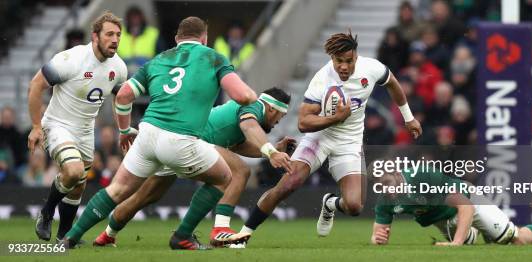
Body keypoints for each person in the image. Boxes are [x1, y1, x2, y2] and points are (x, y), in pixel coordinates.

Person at [61, 16, 258, 250]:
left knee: (117, 190)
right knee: (225, 177)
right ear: (204, 39)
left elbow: (123, 96)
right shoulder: (213, 57)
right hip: (180, 139)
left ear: (177, 39)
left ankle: (69, 238)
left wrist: (124, 130)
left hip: (147, 133)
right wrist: (254, 99)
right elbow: (243, 96)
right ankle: (183, 236)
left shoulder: (159, 59)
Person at [233, 30, 422, 248]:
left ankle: (330, 203)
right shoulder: (322, 79)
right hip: (319, 138)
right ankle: (243, 235)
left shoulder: (371, 68)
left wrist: (409, 118)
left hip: (350, 142)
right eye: (338, 61)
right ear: (331, 58)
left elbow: (393, 83)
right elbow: (303, 123)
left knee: (354, 206)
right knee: (287, 185)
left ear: (356, 57)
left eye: (348, 61)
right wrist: (336, 117)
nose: (343, 66)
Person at [92, 87, 294, 248]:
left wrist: (271, 149)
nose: (278, 123)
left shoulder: (248, 113)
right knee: (240, 171)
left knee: (143, 197)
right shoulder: (254, 107)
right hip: (193, 142)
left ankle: (107, 234)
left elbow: (239, 144)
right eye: (280, 117)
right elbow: (248, 127)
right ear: (272, 109)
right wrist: (271, 152)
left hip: (177, 143)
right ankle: (219, 230)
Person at [28, 11, 127, 242]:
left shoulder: (119, 67)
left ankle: (64, 235)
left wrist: (123, 129)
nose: (115, 39)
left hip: (85, 131)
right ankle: (46, 212)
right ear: (95, 36)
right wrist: (35, 126)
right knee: (72, 172)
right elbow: (35, 85)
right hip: (58, 125)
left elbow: (119, 99)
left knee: (77, 187)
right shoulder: (71, 59)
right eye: (109, 34)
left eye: (118, 35)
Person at [371, 171, 532, 246]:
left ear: (398, 175)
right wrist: (378, 238)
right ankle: (478, 233)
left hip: (469, 202)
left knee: (511, 238)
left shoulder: (423, 177)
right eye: (384, 189)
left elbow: (465, 207)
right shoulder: (385, 197)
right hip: (441, 218)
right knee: (469, 243)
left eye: (391, 186)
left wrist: (455, 243)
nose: (390, 193)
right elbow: (377, 233)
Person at [117, 6, 164, 74]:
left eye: (137, 19)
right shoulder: (119, 33)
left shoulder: (153, 33)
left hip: (146, 68)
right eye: (132, 19)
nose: (135, 22)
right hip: (124, 68)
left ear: (142, 20)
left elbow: (163, 55)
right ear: (127, 20)